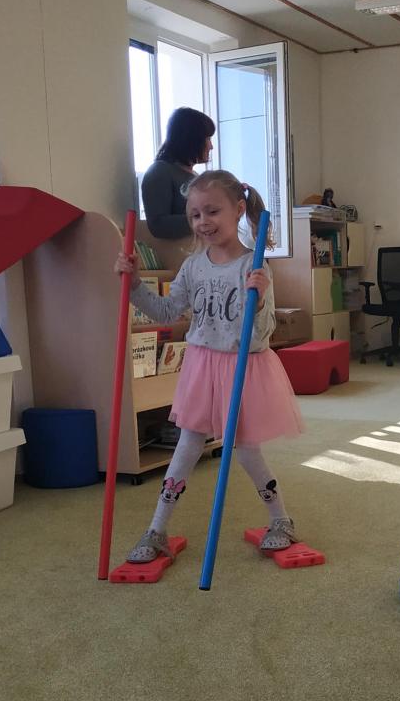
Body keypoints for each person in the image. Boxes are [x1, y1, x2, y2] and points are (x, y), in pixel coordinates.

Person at [115, 169, 305, 563]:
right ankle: (156, 529)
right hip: (201, 366)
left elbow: (260, 335)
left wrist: (260, 298)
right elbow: (166, 311)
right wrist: (133, 284)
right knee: (186, 446)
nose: (203, 222)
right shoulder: (193, 267)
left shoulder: (254, 267)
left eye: (213, 211)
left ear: (238, 209)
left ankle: (281, 520)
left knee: (246, 449)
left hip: (242, 367)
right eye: (195, 214)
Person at [141, 107, 216, 240]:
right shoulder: (159, 172)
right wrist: (208, 217)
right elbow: (158, 225)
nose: (211, 146)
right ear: (192, 140)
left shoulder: (194, 175)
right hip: (179, 252)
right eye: (208, 139)